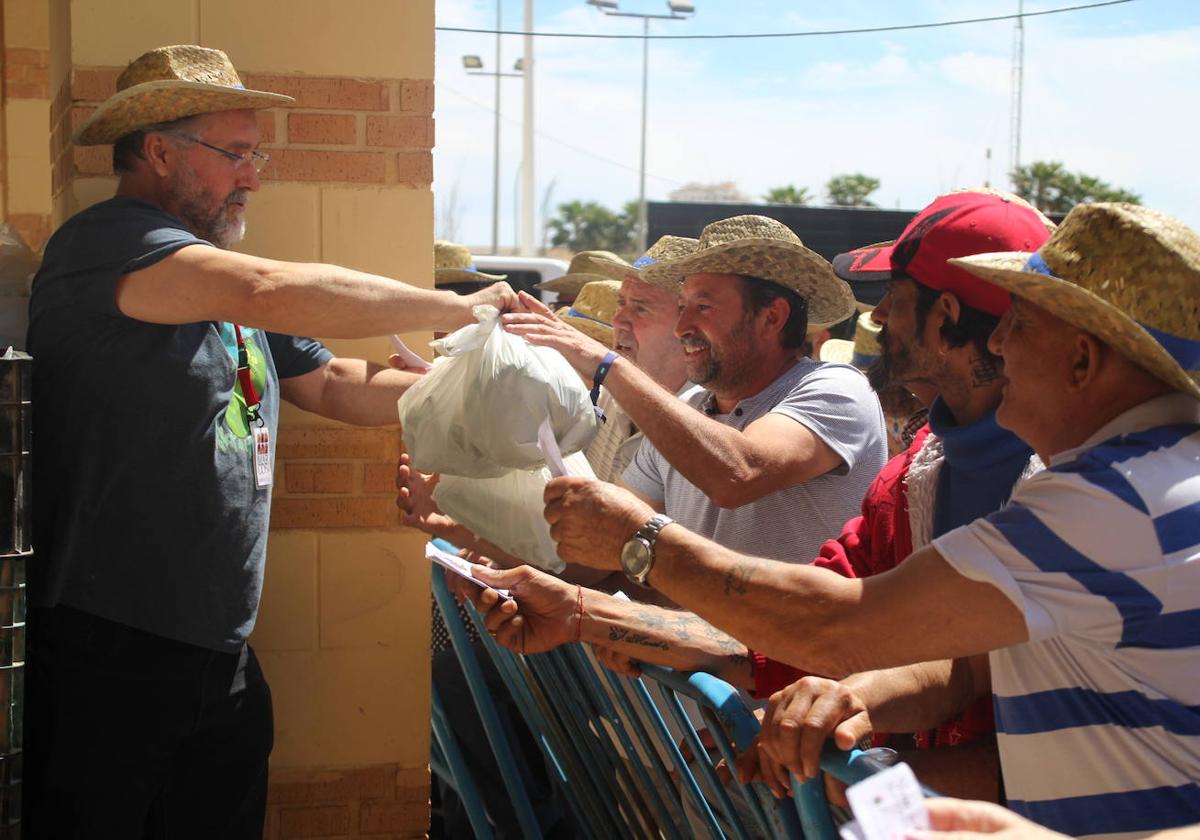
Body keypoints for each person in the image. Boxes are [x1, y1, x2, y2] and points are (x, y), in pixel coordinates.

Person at [522, 201, 1200, 838]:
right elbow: (963, 671)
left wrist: (639, 546)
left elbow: (836, 624)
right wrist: (860, 703)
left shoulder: (1110, 498)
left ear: (1083, 360)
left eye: (1022, 325)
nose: (1000, 341)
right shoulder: (944, 479)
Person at [24, 45, 515, 838]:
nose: (255, 173)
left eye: (259, 153)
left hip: (217, 650)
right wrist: (457, 307)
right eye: (237, 153)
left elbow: (335, 386)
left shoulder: (218, 275)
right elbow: (270, 290)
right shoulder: (110, 241)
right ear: (157, 151)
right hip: (108, 641)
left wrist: (486, 397)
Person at [465, 191, 1055, 803]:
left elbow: (848, 628)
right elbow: (826, 629)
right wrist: (587, 613)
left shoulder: (1068, 488)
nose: (876, 321)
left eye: (896, 299)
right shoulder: (915, 478)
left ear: (948, 317)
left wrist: (636, 550)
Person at [504, 214, 886, 567]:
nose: (681, 326)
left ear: (772, 318)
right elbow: (608, 547)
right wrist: (497, 559)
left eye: (703, 307)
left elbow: (739, 474)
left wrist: (606, 364)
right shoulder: (688, 408)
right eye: (682, 306)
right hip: (699, 642)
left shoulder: (836, 388)